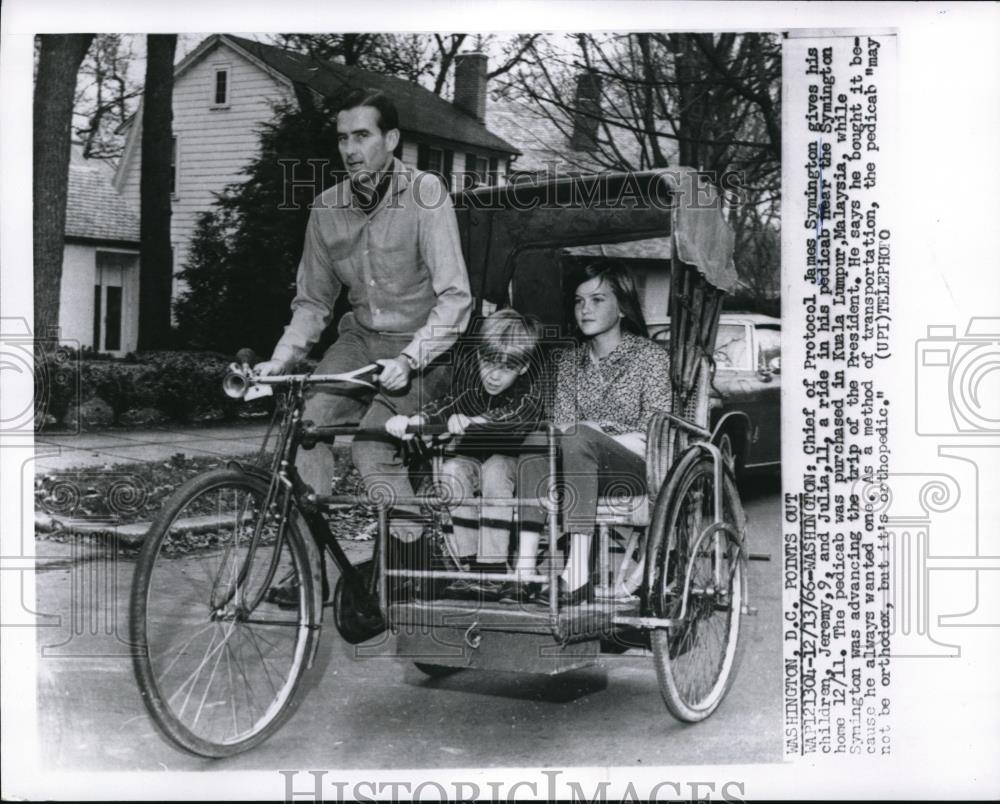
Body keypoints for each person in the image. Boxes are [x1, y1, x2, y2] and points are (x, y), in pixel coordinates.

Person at [254, 88, 472, 596]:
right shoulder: (326, 209)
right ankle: (307, 569)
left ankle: (413, 552)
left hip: (424, 348)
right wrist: (280, 359)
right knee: (306, 429)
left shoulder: (426, 195)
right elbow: (312, 304)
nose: (351, 149)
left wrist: (411, 357)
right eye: (343, 138)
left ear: (391, 139)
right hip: (359, 341)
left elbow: (456, 299)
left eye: (362, 136)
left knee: (374, 445)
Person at [517, 259, 672, 605]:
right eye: (578, 301)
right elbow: (560, 424)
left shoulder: (650, 358)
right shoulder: (570, 362)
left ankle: (576, 575)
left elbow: (655, 432)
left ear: (622, 307)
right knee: (538, 440)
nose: (584, 309)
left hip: (636, 469)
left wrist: (592, 433)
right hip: (581, 462)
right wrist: (584, 432)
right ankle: (524, 570)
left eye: (598, 300)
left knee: (576, 437)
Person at [385, 309, 544, 601]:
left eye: (506, 368)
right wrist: (413, 422)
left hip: (519, 465)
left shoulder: (530, 388)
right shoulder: (474, 384)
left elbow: (516, 416)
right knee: (453, 469)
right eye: (488, 363)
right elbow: (447, 405)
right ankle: (470, 567)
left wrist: (476, 422)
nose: (494, 376)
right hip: (475, 462)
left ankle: (492, 568)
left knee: (496, 467)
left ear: (522, 368)